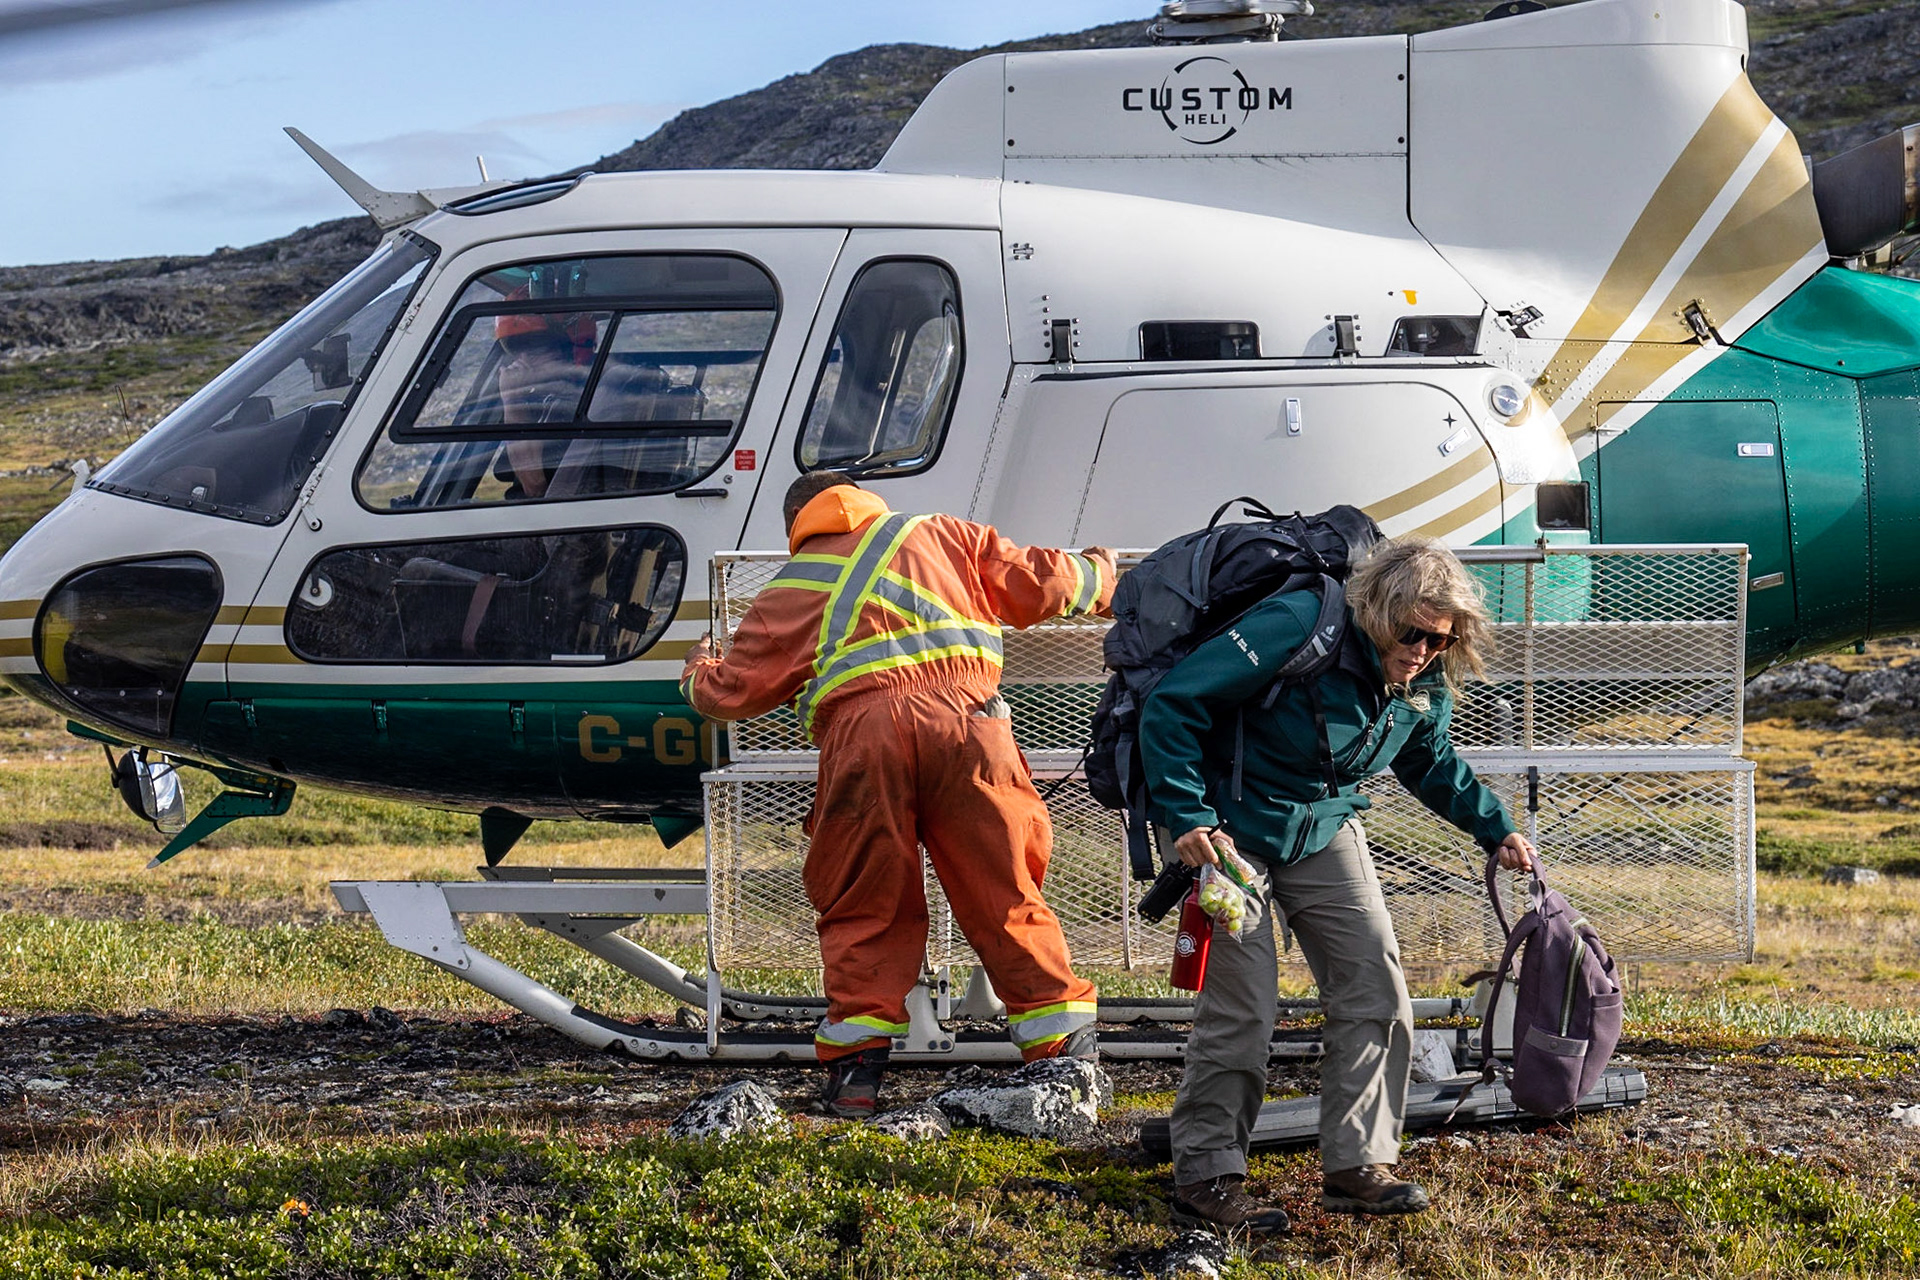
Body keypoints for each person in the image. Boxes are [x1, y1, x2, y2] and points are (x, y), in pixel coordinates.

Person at [680, 472, 1118, 1116]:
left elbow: (729, 695)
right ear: (864, 499)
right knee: (1004, 888)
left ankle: (856, 1079)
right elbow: (1042, 582)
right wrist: (1102, 576)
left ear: (798, 524)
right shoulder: (941, 534)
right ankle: (1065, 1061)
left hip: (863, 741)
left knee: (864, 898)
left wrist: (697, 667)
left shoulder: (792, 586)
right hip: (971, 723)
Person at [1138, 535, 1535, 1233]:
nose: (1422, 650)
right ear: (1379, 612)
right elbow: (1172, 707)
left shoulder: (1425, 675)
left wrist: (1494, 827)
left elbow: (1430, 761)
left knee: (1376, 987)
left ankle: (1358, 1164)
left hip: (1323, 825)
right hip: (1227, 826)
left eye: (1439, 640)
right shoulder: (1296, 626)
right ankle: (1207, 1175)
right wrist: (1189, 818)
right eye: (1411, 634)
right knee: (1245, 1008)